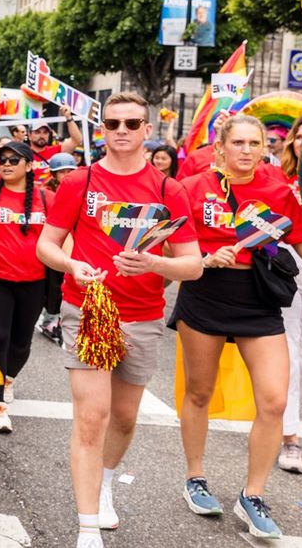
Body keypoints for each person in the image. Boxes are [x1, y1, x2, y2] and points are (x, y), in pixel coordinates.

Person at [37, 93, 202, 548]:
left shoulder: (170, 190)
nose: (122, 130)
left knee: (124, 418)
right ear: (102, 130)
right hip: (88, 310)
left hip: (143, 315)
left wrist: (154, 265)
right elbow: (46, 246)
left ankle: (105, 481)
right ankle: (87, 526)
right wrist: (72, 267)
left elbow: (193, 265)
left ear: (148, 130)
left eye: (132, 122)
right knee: (93, 417)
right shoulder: (79, 182)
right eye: (113, 123)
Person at [173, 114, 302, 539]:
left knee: (273, 400)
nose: (248, 150)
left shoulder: (278, 190)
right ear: (221, 147)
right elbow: (174, 245)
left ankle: (253, 494)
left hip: (259, 299)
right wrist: (201, 260)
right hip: (206, 294)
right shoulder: (194, 189)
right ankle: (195, 477)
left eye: (255, 143)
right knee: (199, 391)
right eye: (239, 143)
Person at [0, 139, 52, 433]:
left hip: (35, 282)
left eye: (13, 160)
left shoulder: (47, 199)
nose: (5, 164)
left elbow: (61, 236)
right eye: (2, 159)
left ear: (29, 166)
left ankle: (8, 379)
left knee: (21, 344)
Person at [277, 114, 302, 474]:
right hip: (284, 269)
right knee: (287, 356)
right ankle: (290, 438)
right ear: (292, 142)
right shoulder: (279, 179)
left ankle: (276, 413)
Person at [36, 152, 78, 344]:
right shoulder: (47, 193)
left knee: (64, 282)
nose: (67, 174)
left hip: (73, 242)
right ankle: (50, 317)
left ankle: (60, 317)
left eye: (70, 170)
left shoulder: (78, 189)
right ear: (54, 174)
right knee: (52, 284)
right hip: (53, 244)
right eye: (63, 171)